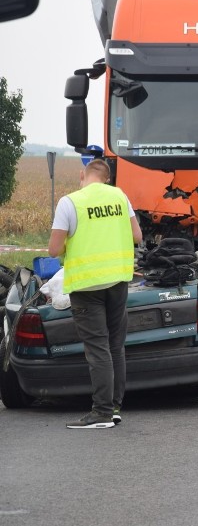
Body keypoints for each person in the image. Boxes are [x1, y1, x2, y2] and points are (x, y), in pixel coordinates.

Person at [48, 158, 143, 429]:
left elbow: (54, 250)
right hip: (117, 281)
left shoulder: (70, 202)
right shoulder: (119, 196)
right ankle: (113, 407)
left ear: (82, 175)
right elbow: (137, 235)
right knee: (115, 345)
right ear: (107, 179)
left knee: (97, 348)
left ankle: (101, 413)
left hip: (87, 286)